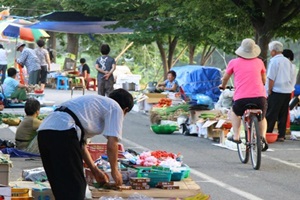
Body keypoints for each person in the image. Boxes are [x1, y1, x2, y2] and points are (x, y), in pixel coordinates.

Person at [37, 89, 134, 200]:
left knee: (61, 184)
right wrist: (114, 171)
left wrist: (95, 170)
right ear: (125, 110)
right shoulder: (115, 107)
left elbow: (81, 145)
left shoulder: (96, 105)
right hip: (62, 132)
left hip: (44, 132)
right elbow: (112, 143)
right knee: (75, 187)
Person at [220, 38, 268, 151]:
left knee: (235, 112)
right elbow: (264, 79)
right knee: (262, 117)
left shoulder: (234, 62)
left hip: (241, 98)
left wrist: (223, 86)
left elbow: (225, 78)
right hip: (260, 98)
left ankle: (236, 135)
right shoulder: (259, 62)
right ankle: (262, 137)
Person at [266, 42, 297, 142]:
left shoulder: (274, 61)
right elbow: (291, 76)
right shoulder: (288, 62)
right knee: (283, 114)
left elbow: (271, 78)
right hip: (287, 91)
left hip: (276, 90)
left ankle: (268, 133)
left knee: (271, 113)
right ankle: (281, 135)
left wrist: (269, 90)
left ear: (274, 51)